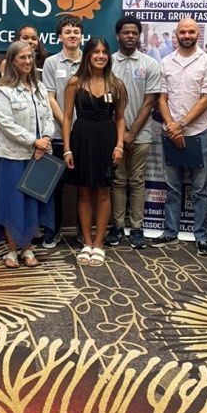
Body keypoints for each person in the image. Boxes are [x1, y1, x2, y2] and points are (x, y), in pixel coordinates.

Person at [0, 40, 55, 268]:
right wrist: (34, 141)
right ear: (12, 61)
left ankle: (28, 248)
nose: (27, 61)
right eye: (22, 58)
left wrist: (43, 141)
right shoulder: (3, 91)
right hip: (13, 157)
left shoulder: (40, 88)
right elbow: (6, 124)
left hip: (37, 156)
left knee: (31, 204)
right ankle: (13, 251)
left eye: (30, 57)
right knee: (12, 204)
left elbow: (47, 118)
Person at [155, 17, 207, 255]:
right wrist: (172, 126)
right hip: (169, 132)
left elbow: (206, 99)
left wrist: (180, 125)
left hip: (197, 134)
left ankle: (200, 236)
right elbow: (162, 97)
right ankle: (170, 231)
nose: (187, 35)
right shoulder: (166, 62)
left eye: (191, 31)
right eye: (183, 32)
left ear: (198, 34)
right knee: (172, 187)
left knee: (200, 189)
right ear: (177, 34)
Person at [64, 38, 127, 266]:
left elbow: (120, 119)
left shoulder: (116, 84)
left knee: (103, 192)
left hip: (107, 140)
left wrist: (119, 145)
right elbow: (68, 117)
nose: (100, 55)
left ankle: (99, 243)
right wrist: (67, 149)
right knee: (83, 193)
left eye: (104, 52)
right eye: (96, 52)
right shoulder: (75, 82)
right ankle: (87, 242)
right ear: (88, 55)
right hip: (81, 139)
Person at [106, 15, 160, 249]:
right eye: (125, 32)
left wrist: (131, 133)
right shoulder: (106, 62)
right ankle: (117, 226)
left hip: (141, 135)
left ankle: (137, 228)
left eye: (134, 33)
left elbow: (150, 102)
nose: (130, 36)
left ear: (140, 36)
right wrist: (120, 135)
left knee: (137, 181)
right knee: (117, 181)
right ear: (118, 35)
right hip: (112, 136)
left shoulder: (149, 64)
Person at [41, 17, 84, 247]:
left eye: (76, 31)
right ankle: (53, 230)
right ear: (60, 36)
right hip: (58, 134)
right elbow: (49, 96)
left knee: (83, 186)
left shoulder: (90, 60)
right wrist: (67, 124)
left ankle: (81, 231)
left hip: (84, 135)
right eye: (68, 31)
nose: (72, 35)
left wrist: (80, 126)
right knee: (54, 187)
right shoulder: (50, 63)